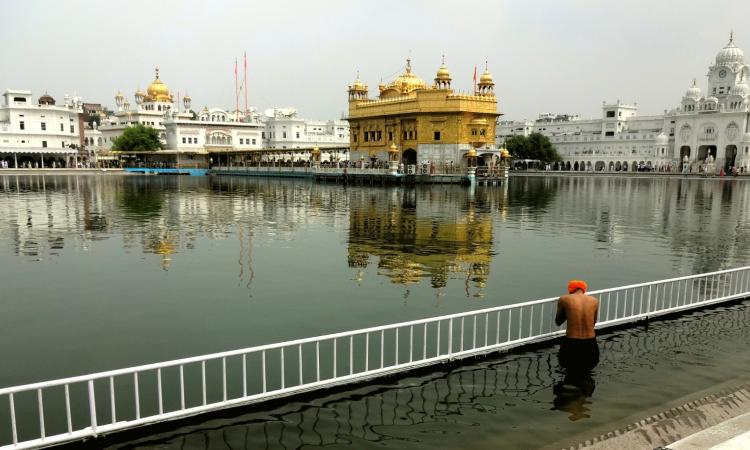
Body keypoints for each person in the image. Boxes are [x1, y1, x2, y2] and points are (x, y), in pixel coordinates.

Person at [555, 280, 599, 373]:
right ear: (584, 289)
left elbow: (558, 321)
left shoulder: (564, 299)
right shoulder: (594, 301)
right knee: (587, 371)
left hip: (572, 342)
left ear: (570, 289)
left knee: (569, 370)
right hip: (591, 342)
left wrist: (569, 313)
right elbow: (593, 323)